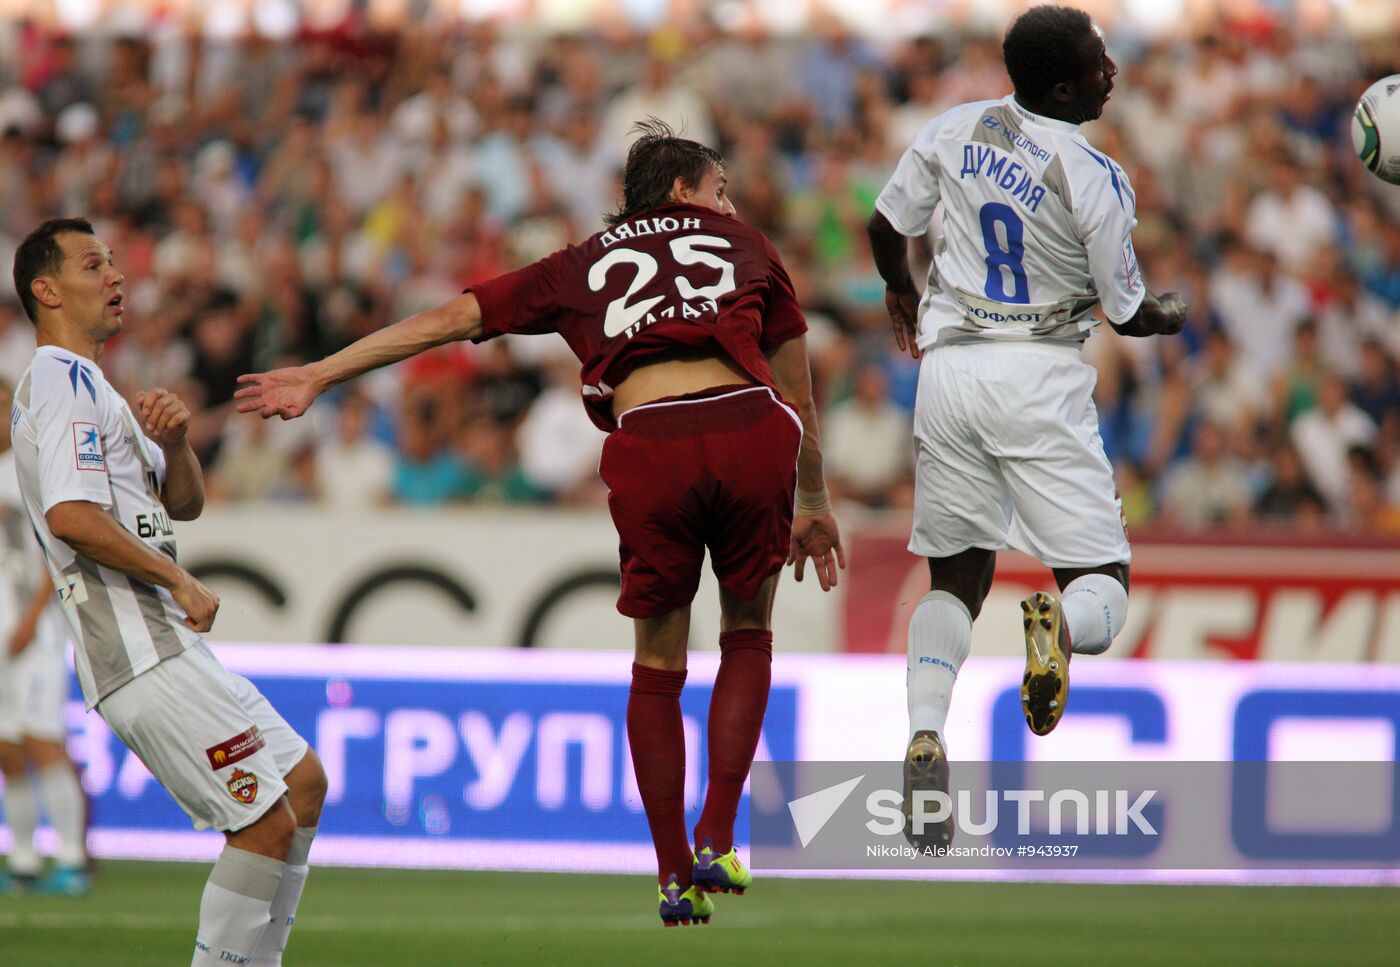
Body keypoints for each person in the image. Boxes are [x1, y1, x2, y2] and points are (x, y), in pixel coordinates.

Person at [236, 119, 844, 927]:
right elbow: (797, 396)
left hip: (650, 438)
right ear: (681, 192)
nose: (729, 202)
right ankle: (718, 835)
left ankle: (670, 870)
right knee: (747, 632)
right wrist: (812, 502)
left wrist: (319, 371)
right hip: (748, 425)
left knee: (657, 662)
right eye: (719, 188)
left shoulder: (579, 263)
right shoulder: (749, 246)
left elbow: (448, 320)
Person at [866, 6, 1187, 847]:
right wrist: (1171, 312)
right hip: (1037, 375)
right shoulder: (1093, 174)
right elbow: (1126, 314)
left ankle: (926, 728)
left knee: (955, 581)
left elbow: (883, 223)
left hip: (948, 373)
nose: (1112, 70)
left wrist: (900, 290)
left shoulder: (954, 127)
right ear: (1063, 86)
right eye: (1098, 62)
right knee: (1104, 585)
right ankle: (1058, 630)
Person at [10, 217, 327, 965]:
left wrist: (178, 443)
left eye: (115, 262)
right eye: (94, 265)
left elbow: (181, 504)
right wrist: (176, 576)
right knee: (263, 824)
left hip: (167, 642)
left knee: (302, 783)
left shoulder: (99, 389)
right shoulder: (56, 382)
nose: (116, 276)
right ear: (45, 289)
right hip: (138, 649)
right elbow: (71, 515)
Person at [0, 379, 90, 895]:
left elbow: (49, 555)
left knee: (42, 739)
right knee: (9, 747)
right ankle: (24, 857)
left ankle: (74, 858)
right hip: (5, 635)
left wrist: (33, 618)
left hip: (33, 634)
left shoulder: (22, 473)